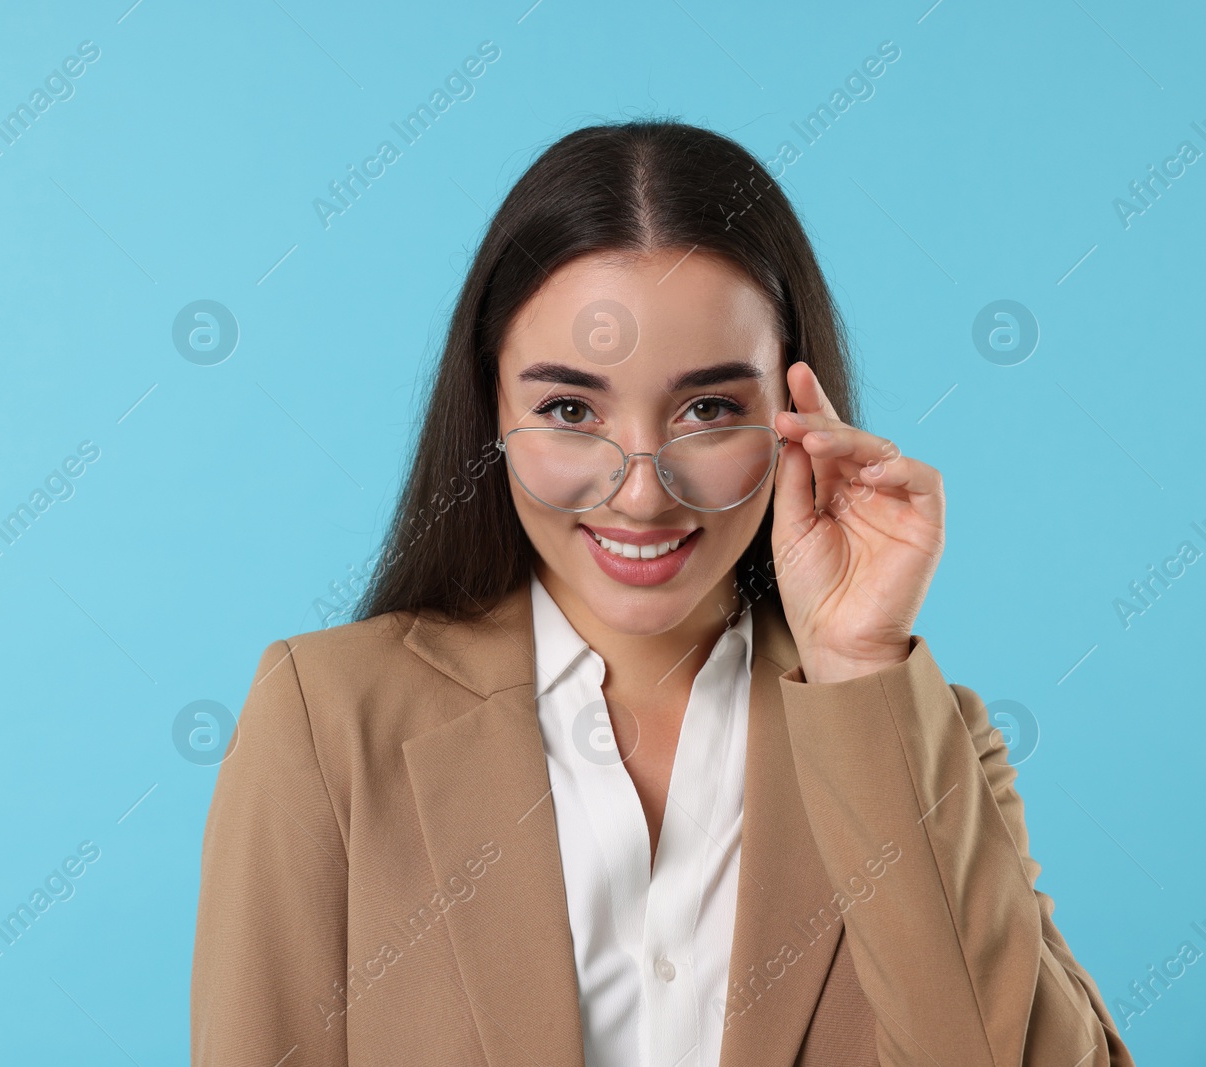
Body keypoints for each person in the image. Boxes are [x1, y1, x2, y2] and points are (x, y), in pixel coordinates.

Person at [190, 120, 1134, 1067]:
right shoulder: (327, 723)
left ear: (795, 419)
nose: (641, 491)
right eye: (570, 409)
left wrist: (856, 664)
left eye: (710, 409)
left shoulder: (923, 744)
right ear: (494, 414)